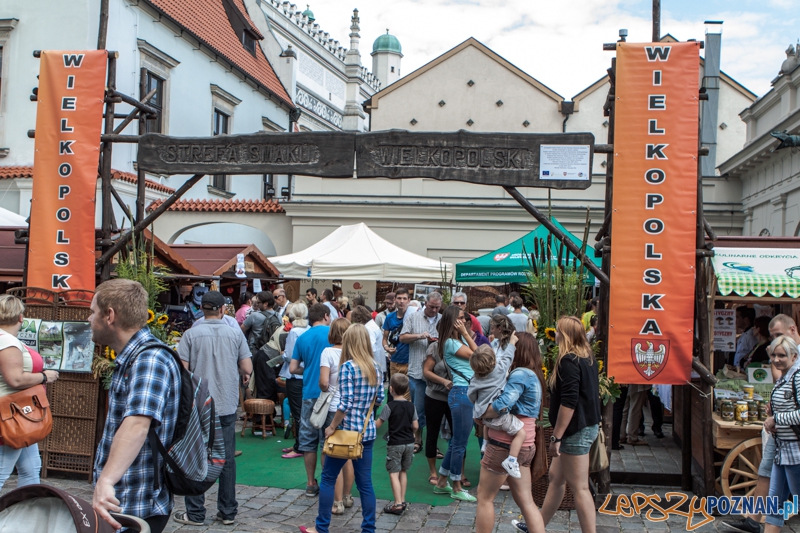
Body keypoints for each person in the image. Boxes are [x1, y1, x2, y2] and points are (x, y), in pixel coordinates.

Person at [91, 279, 181, 532]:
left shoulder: (148, 359)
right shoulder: (135, 356)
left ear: (109, 316)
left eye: (92, 312)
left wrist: (106, 481)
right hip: (126, 499)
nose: (89, 319)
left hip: (136, 504)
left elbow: (137, 425)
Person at [173, 291, 253, 527]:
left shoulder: (191, 334)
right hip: (226, 402)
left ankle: (195, 512)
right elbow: (247, 367)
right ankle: (227, 511)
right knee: (226, 458)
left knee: (195, 456)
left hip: (198, 403)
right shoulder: (234, 333)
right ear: (222, 310)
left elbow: (182, 370)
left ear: (202, 309)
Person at [300, 324, 384, 533]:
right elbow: (380, 398)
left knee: (328, 478)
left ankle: (321, 527)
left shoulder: (348, 366)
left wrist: (331, 426)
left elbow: (345, 403)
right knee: (365, 483)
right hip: (366, 432)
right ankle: (369, 528)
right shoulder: (375, 367)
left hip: (345, 432)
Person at [475, 332, 545, 533]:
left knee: (484, 497)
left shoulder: (520, 374)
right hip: (524, 445)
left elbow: (503, 404)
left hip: (504, 444)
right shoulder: (534, 374)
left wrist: (482, 413)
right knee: (526, 501)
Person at [540, 316, 601, 533]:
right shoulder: (586, 357)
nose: (554, 334)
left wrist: (556, 436)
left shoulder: (569, 361)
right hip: (584, 427)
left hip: (575, 430)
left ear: (565, 335)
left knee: (580, 488)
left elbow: (569, 403)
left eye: (557, 330)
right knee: (556, 478)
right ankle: (537, 526)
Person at [0, 295, 59, 490]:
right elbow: (15, 379)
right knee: (2, 471)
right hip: (10, 416)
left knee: (31, 468)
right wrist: (44, 377)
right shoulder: (7, 342)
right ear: (20, 317)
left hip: (19, 414)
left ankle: (28, 508)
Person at [432, 305, 478, 502]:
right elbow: (479, 356)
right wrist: (466, 334)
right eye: (461, 318)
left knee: (457, 442)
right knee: (460, 443)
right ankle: (456, 486)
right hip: (462, 393)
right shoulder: (451, 343)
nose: (465, 321)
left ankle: (442, 482)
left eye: (465, 318)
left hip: (464, 393)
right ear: (452, 322)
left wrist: (465, 335)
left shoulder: (456, 340)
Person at [289, 303, 333, 496]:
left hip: (309, 393)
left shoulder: (302, 337)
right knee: (327, 440)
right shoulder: (333, 334)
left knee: (308, 440)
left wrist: (307, 370)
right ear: (326, 316)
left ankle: (309, 482)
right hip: (330, 393)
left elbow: (292, 368)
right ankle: (327, 482)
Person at [468, 341, 526, 478]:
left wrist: (478, 406)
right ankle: (512, 460)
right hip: (500, 418)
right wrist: (512, 342)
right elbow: (508, 357)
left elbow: (471, 396)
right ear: (494, 361)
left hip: (484, 418)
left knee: (487, 422)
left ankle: (485, 443)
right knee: (521, 433)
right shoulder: (499, 370)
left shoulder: (474, 379)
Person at [762, 334, 800, 533]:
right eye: (774, 355)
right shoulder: (785, 377)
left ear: (794, 356)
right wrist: (773, 414)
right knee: (774, 504)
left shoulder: (798, 377)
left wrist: (776, 419)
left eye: (782, 355)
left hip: (796, 451)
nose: (776, 359)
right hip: (782, 449)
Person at [318, 318, 355, 515]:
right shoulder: (354, 353)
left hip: (333, 407)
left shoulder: (328, 352)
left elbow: (324, 382)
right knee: (347, 454)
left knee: (332, 454)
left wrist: (325, 388)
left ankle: (337, 501)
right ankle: (347, 496)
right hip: (350, 409)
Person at [400, 291, 442, 453]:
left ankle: (432, 442)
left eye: (437, 307)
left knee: (435, 410)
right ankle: (417, 439)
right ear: (425, 304)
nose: (434, 310)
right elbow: (402, 338)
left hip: (437, 373)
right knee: (417, 408)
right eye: (431, 307)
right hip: (417, 371)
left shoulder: (442, 319)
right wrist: (419, 336)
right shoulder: (413, 317)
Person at [375, 373, 418, 515]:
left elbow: (378, 424)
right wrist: (412, 433)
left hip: (395, 443)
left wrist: (368, 421)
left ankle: (397, 503)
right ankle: (402, 500)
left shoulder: (389, 406)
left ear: (391, 389)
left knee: (393, 473)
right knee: (403, 471)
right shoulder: (411, 406)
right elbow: (416, 425)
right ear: (407, 389)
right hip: (409, 443)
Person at [281, 302, 309, 459]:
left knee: (297, 412)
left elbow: (291, 356)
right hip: (306, 374)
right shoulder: (308, 329)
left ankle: (300, 446)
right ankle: (300, 444)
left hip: (295, 375)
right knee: (303, 411)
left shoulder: (294, 332)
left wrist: (283, 355)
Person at [422, 340, 452, 484]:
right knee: (432, 433)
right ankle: (433, 471)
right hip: (435, 395)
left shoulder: (462, 344)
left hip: (455, 396)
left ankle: (460, 472)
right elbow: (426, 371)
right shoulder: (435, 347)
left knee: (458, 435)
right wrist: (443, 381)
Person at [382, 288, 411, 400]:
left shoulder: (413, 316)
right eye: (399, 298)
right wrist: (387, 348)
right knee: (395, 392)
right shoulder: (390, 317)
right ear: (395, 299)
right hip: (394, 361)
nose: (401, 301)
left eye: (404, 298)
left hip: (409, 362)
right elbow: (384, 339)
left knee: (407, 395)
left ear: (409, 300)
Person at [351, 305, 385, 375]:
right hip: (376, 364)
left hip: (372, 366)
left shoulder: (368, 328)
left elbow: (371, 348)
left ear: (359, 319)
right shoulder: (372, 325)